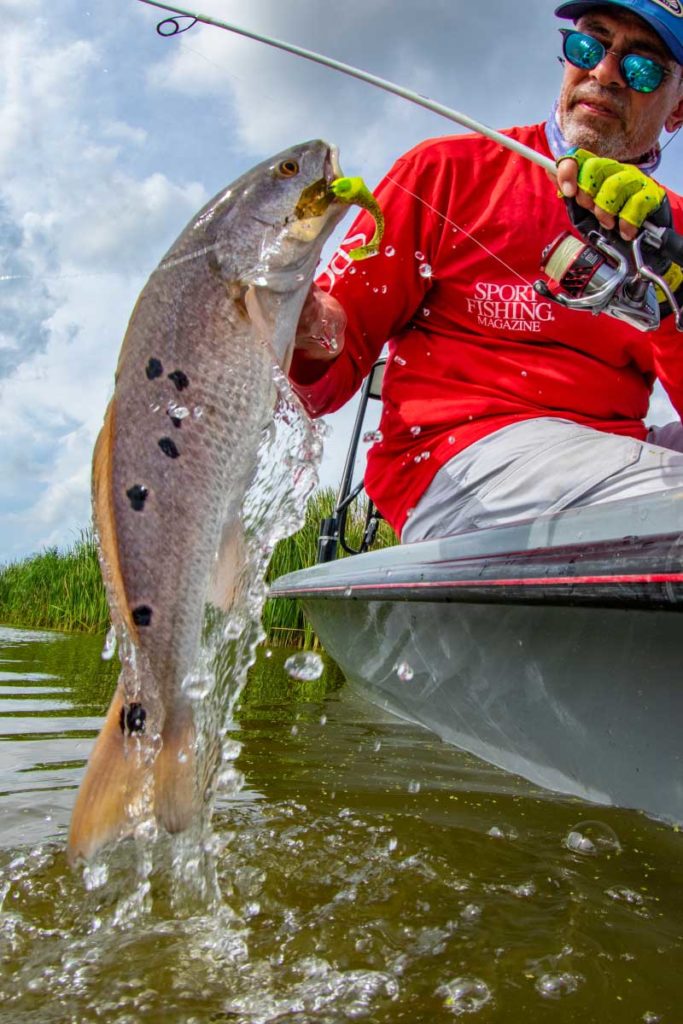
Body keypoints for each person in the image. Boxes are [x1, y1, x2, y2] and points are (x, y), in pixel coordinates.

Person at [290, 0, 683, 542]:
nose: (605, 73)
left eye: (642, 67)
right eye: (590, 45)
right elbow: (325, 379)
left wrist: (673, 300)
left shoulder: (675, 229)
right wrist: (300, 320)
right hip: (456, 458)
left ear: (679, 107)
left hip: (610, 451)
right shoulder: (444, 169)